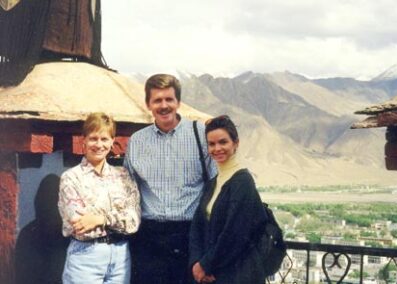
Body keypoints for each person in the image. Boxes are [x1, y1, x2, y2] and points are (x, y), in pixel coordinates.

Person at [124, 73, 216, 284]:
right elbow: (128, 191)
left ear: (178, 102)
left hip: (190, 237)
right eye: (157, 100)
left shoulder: (200, 135)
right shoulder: (137, 142)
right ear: (148, 104)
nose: (164, 105)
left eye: (169, 99)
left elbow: (215, 185)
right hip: (149, 239)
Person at [58, 112, 141, 284]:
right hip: (86, 258)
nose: (99, 145)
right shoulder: (71, 178)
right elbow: (81, 225)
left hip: (120, 258)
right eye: (93, 138)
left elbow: (133, 222)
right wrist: (118, 218)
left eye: (104, 139)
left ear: (112, 142)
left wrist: (99, 218)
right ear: (84, 141)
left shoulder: (123, 176)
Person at [189, 115, 268, 284]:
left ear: (236, 143)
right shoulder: (213, 183)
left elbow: (235, 233)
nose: (217, 148)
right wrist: (197, 263)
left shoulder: (242, 181)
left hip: (237, 275)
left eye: (223, 142)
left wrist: (205, 265)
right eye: (212, 144)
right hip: (213, 274)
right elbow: (198, 225)